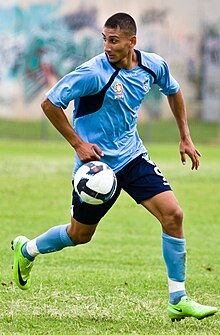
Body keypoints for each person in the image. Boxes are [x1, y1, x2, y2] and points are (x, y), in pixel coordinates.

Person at [12, 12, 218, 322]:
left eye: (114, 41)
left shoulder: (153, 65)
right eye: (105, 40)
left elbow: (173, 91)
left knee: (173, 215)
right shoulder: (93, 72)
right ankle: (28, 250)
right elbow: (49, 102)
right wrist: (79, 144)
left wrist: (185, 137)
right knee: (79, 234)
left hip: (132, 157)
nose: (107, 46)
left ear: (132, 42)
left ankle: (178, 298)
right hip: (96, 169)